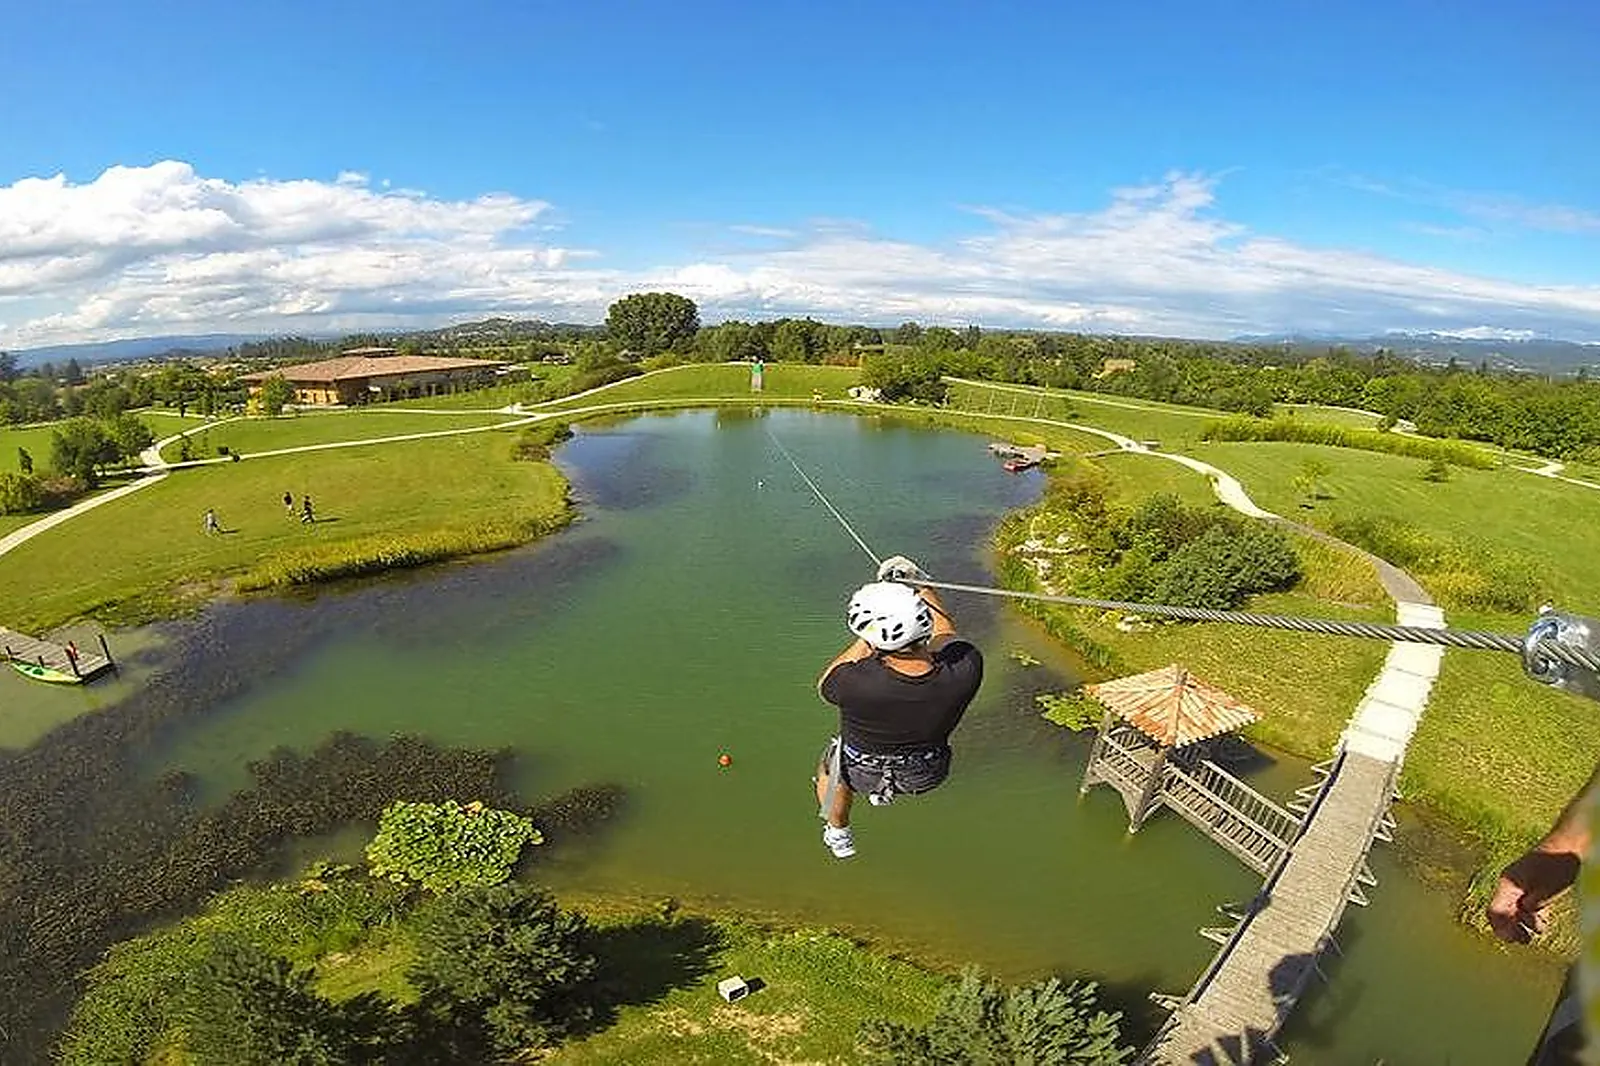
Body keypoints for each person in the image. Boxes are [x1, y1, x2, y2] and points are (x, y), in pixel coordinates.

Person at [813, 555, 983, 859]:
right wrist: (919, 583)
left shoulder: (854, 681)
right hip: (926, 772)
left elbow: (825, 682)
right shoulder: (966, 666)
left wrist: (869, 637)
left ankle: (838, 832)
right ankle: (856, 815)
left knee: (831, 763)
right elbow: (945, 632)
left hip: (861, 771)